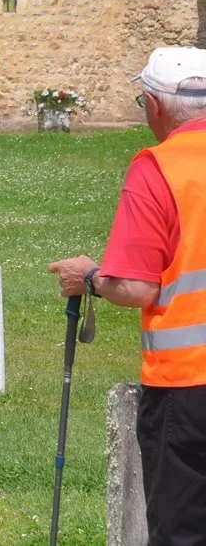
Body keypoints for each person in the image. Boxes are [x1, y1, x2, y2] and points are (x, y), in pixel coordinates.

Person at [49, 46, 206, 545]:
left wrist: (90, 276)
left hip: (188, 385)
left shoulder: (159, 168)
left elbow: (137, 286)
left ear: (155, 106)